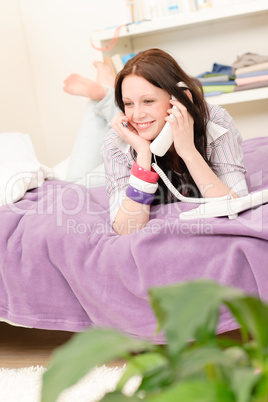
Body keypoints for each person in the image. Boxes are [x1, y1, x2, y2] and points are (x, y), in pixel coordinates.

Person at [64, 49, 248, 235]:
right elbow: (126, 228)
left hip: (171, 125)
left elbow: (235, 203)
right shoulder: (116, 143)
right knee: (74, 182)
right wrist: (143, 155)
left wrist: (188, 151)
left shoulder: (215, 122)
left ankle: (107, 91)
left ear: (179, 99)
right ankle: (105, 92)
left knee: (144, 119)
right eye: (128, 103)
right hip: (117, 155)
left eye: (149, 100)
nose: (136, 114)